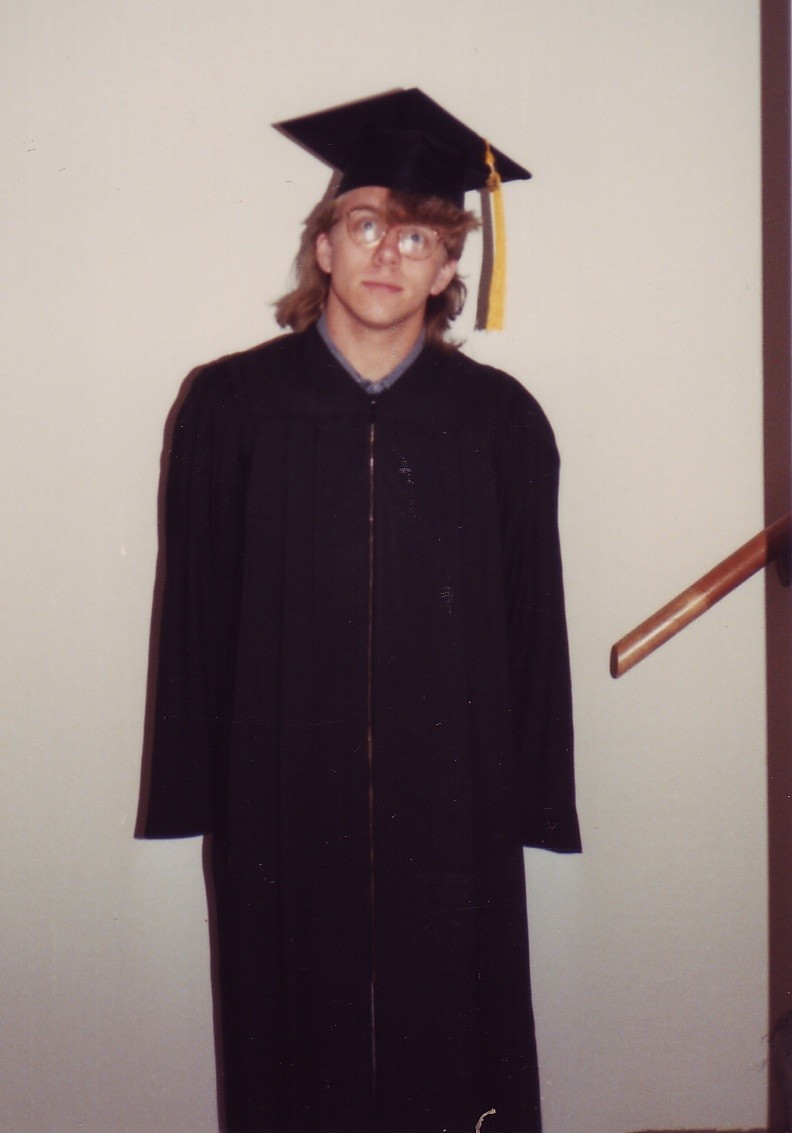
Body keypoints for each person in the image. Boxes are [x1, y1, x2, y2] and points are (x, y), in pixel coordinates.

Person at [142, 88, 581, 1133]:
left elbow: (533, 621)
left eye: (418, 235)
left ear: (448, 268)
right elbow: (193, 605)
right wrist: (196, 785)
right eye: (367, 222)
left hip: (454, 789)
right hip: (280, 784)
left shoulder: (499, 420)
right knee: (289, 1029)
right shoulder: (232, 404)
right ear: (324, 247)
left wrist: (529, 794)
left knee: (456, 1030)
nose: (389, 252)